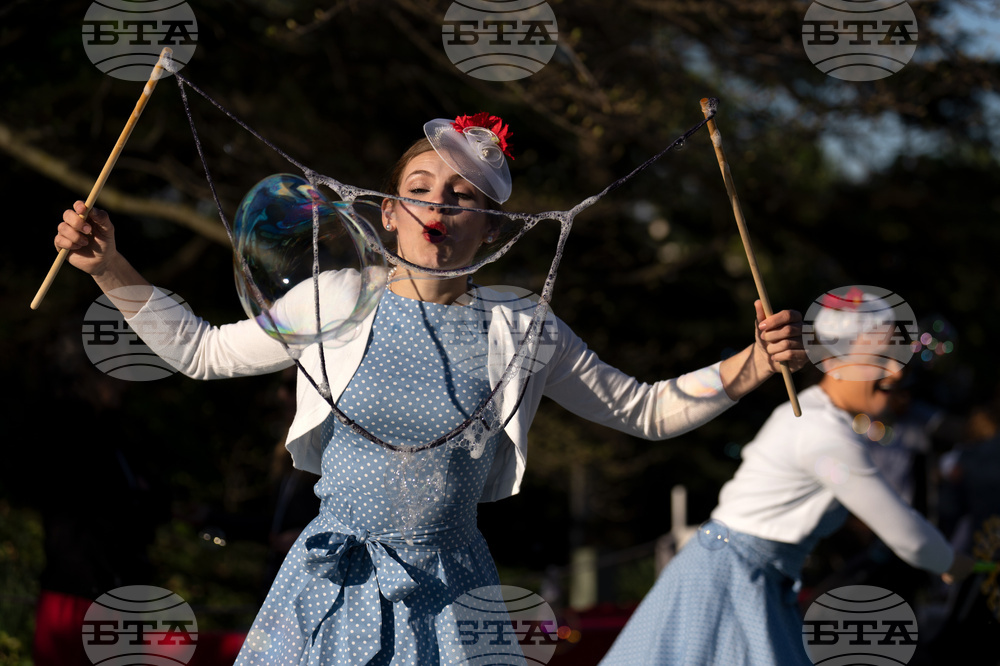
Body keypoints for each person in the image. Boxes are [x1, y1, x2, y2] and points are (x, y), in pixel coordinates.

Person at [54, 113, 807, 665]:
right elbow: (203, 352)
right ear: (388, 214)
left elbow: (644, 411)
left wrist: (748, 365)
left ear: (491, 227)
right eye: (419, 188)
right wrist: (108, 268)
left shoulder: (522, 326)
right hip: (332, 573)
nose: (438, 204)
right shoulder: (337, 297)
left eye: (462, 194)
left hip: (453, 592)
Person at [598, 290, 977, 666]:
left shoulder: (816, 418)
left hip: (740, 580)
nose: (896, 372)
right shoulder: (822, 435)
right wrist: (955, 565)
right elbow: (904, 533)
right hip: (729, 586)